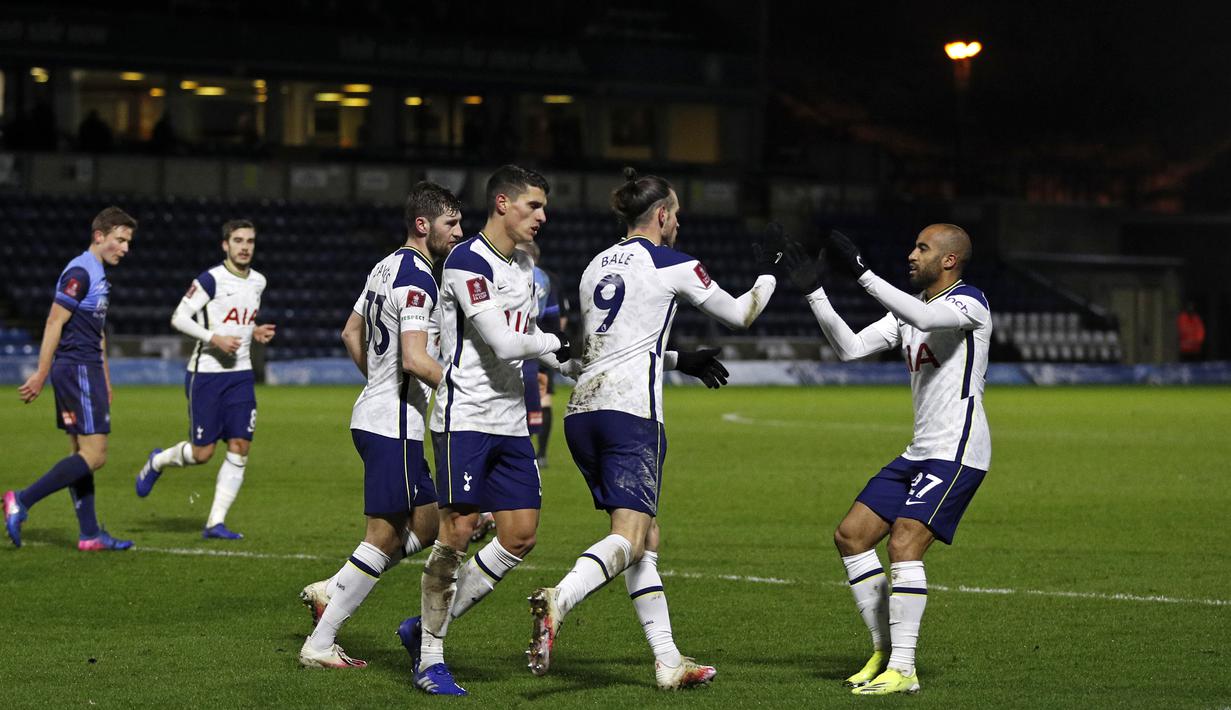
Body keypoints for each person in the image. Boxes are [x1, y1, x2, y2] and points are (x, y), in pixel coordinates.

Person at [525, 168, 782, 689]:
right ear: (661, 215)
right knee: (630, 534)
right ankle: (562, 598)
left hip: (584, 414)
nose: (679, 223)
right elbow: (740, 314)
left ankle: (667, 661)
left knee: (646, 538)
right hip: (631, 415)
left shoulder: (595, 265)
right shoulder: (672, 262)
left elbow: (611, 344)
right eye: (677, 214)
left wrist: (677, 358)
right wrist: (770, 275)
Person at [783, 224, 992, 696]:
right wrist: (816, 293)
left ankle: (905, 668)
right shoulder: (907, 316)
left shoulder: (969, 303)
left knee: (903, 545)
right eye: (913, 244)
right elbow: (850, 348)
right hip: (919, 451)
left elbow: (922, 313)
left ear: (950, 261)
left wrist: (861, 273)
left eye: (922, 248)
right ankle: (883, 652)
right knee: (851, 536)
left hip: (957, 451)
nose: (912, 254)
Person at [407, 165, 570, 696]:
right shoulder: (466, 260)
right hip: (465, 419)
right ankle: (430, 658)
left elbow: (531, 335)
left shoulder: (521, 268)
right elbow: (503, 343)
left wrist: (579, 361)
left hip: (509, 421)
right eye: (533, 206)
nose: (543, 217)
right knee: (456, 533)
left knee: (520, 535)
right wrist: (555, 347)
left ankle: (423, 627)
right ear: (502, 203)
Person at [295, 181, 464, 668]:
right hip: (392, 423)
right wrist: (458, 388)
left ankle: (335, 585)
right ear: (422, 224)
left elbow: (351, 331)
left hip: (383, 416)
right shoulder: (419, 278)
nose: (458, 232)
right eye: (450, 223)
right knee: (384, 535)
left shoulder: (385, 265)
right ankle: (321, 642)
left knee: (430, 523)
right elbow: (414, 358)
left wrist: (376, 380)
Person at [5, 207, 137, 551]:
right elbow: (53, 321)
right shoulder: (80, 271)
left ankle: (90, 534)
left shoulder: (97, 274)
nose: (125, 248)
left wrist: (106, 378)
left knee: (80, 452)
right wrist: (41, 373)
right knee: (96, 454)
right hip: (76, 367)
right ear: (99, 236)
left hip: (87, 368)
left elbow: (98, 330)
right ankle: (20, 499)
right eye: (120, 240)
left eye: (128, 242)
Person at [134, 220, 275, 540]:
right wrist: (214, 338)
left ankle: (215, 522)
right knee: (202, 454)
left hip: (240, 375)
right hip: (207, 375)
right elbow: (178, 318)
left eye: (250, 241)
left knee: (240, 446)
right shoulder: (210, 279)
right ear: (225, 245)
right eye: (238, 240)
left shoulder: (258, 282)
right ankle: (157, 461)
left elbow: (237, 320)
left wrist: (254, 331)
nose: (245, 246)